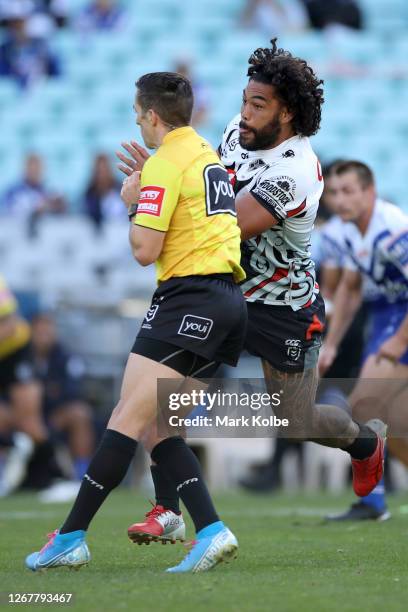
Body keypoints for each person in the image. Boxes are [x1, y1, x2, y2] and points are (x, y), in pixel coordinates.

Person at [118, 40, 386, 546]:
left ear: (287, 114)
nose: (243, 114)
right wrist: (163, 170)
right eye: (244, 100)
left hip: (283, 308)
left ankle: (364, 442)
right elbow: (200, 195)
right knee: (166, 401)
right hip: (224, 293)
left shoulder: (296, 171)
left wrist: (146, 200)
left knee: (298, 421)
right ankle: (166, 510)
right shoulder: (233, 136)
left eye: (257, 106)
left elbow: (223, 224)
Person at [25, 71, 247, 573]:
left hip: (189, 296)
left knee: (126, 417)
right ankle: (207, 528)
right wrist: (151, 184)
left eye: (136, 113)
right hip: (226, 300)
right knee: (159, 427)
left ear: (150, 115)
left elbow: (145, 250)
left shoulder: (167, 163)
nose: (136, 121)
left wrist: (133, 203)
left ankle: (70, 537)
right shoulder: (203, 154)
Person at [319, 161, 408, 521]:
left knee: (363, 405)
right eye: (334, 192)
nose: (339, 199)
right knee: (397, 425)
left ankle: (372, 502)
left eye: (348, 191)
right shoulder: (350, 231)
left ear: (369, 192)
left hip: (399, 318)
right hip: (386, 315)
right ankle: (374, 501)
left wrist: (400, 341)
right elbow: (350, 290)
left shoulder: (393, 230)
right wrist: (333, 344)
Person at [0, 277, 64, 496]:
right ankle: (15, 447)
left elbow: (8, 323)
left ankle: (55, 477)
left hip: (13, 351)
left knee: (31, 423)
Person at [30, 312, 94, 483]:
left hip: (53, 415)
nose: (44, 336)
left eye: (48, 331)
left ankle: (83, 476)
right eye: (39, 331)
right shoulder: (19, 356)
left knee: (80, 414)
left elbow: (72, 391)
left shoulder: (65, 357)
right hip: (24, 417)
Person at [0, 4, 61, 88]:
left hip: (43, 92)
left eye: (20, 22)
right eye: (12, 23)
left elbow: (56, 74)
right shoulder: (4, 50)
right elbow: (4, 78)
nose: (16, 27)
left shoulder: (42, 47)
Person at [1, 153, 66, 227]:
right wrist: (35, 210)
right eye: (31, 167)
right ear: (25, 169)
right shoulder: (12, 192)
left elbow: (61, 216)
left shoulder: (49, 191)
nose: (34, 171)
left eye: (37, 168)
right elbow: (8, 213)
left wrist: (57, 207)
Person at [82, 153, 124, 228]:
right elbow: (89, 215)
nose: (103, 174)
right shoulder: (90, 193)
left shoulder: (120, 188)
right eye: (100, 171)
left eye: (105, 170)